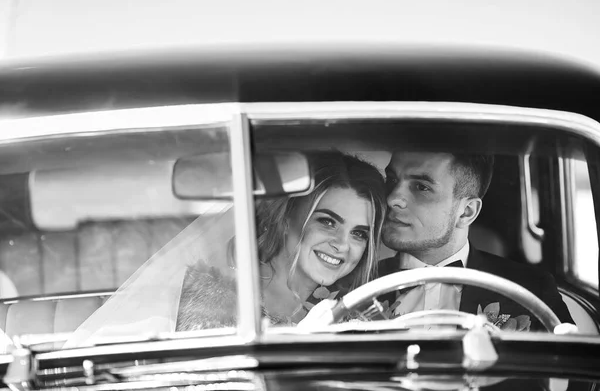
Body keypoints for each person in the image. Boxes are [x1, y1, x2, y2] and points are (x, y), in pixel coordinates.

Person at [64, 151, 387, 347]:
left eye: (359, 234)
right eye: (328, 222)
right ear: (286, 218)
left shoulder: (353, 321)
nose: (343, 245)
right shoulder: (204, 298)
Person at [378, 151, 574, 332]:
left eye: (422, 187)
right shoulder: (358, 282)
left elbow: (573, 366)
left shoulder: (531, 290)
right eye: (392, 179)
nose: (393, 198)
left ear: (466, 212)